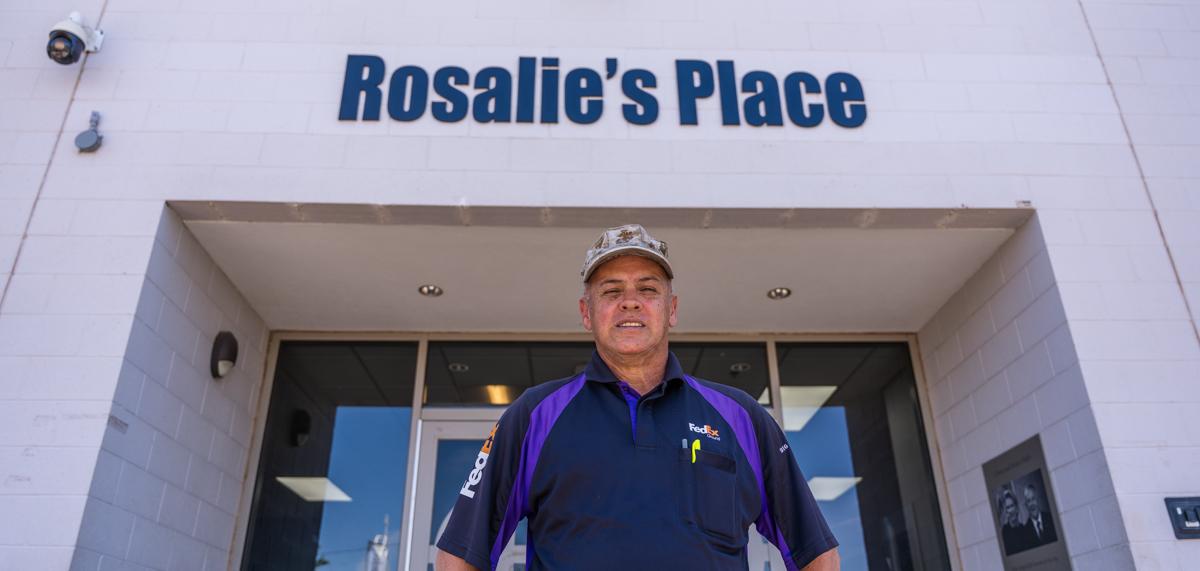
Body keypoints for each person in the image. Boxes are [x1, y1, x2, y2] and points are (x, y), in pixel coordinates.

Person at [435, 224, 840, 570]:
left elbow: (815, 553)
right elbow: (460, 555)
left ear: (672, 309)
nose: (630, 301)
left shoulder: (741, 417)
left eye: (648, 289)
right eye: (611, 291)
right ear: (586, 313)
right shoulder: (534, 415)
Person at [1022, 483, 1057, 548]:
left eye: (1033, 499)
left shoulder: (1051, 518)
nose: (1032, 504)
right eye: (1028, 501)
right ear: (1026, 505)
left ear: (1037, 500)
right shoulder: (1025, 531)